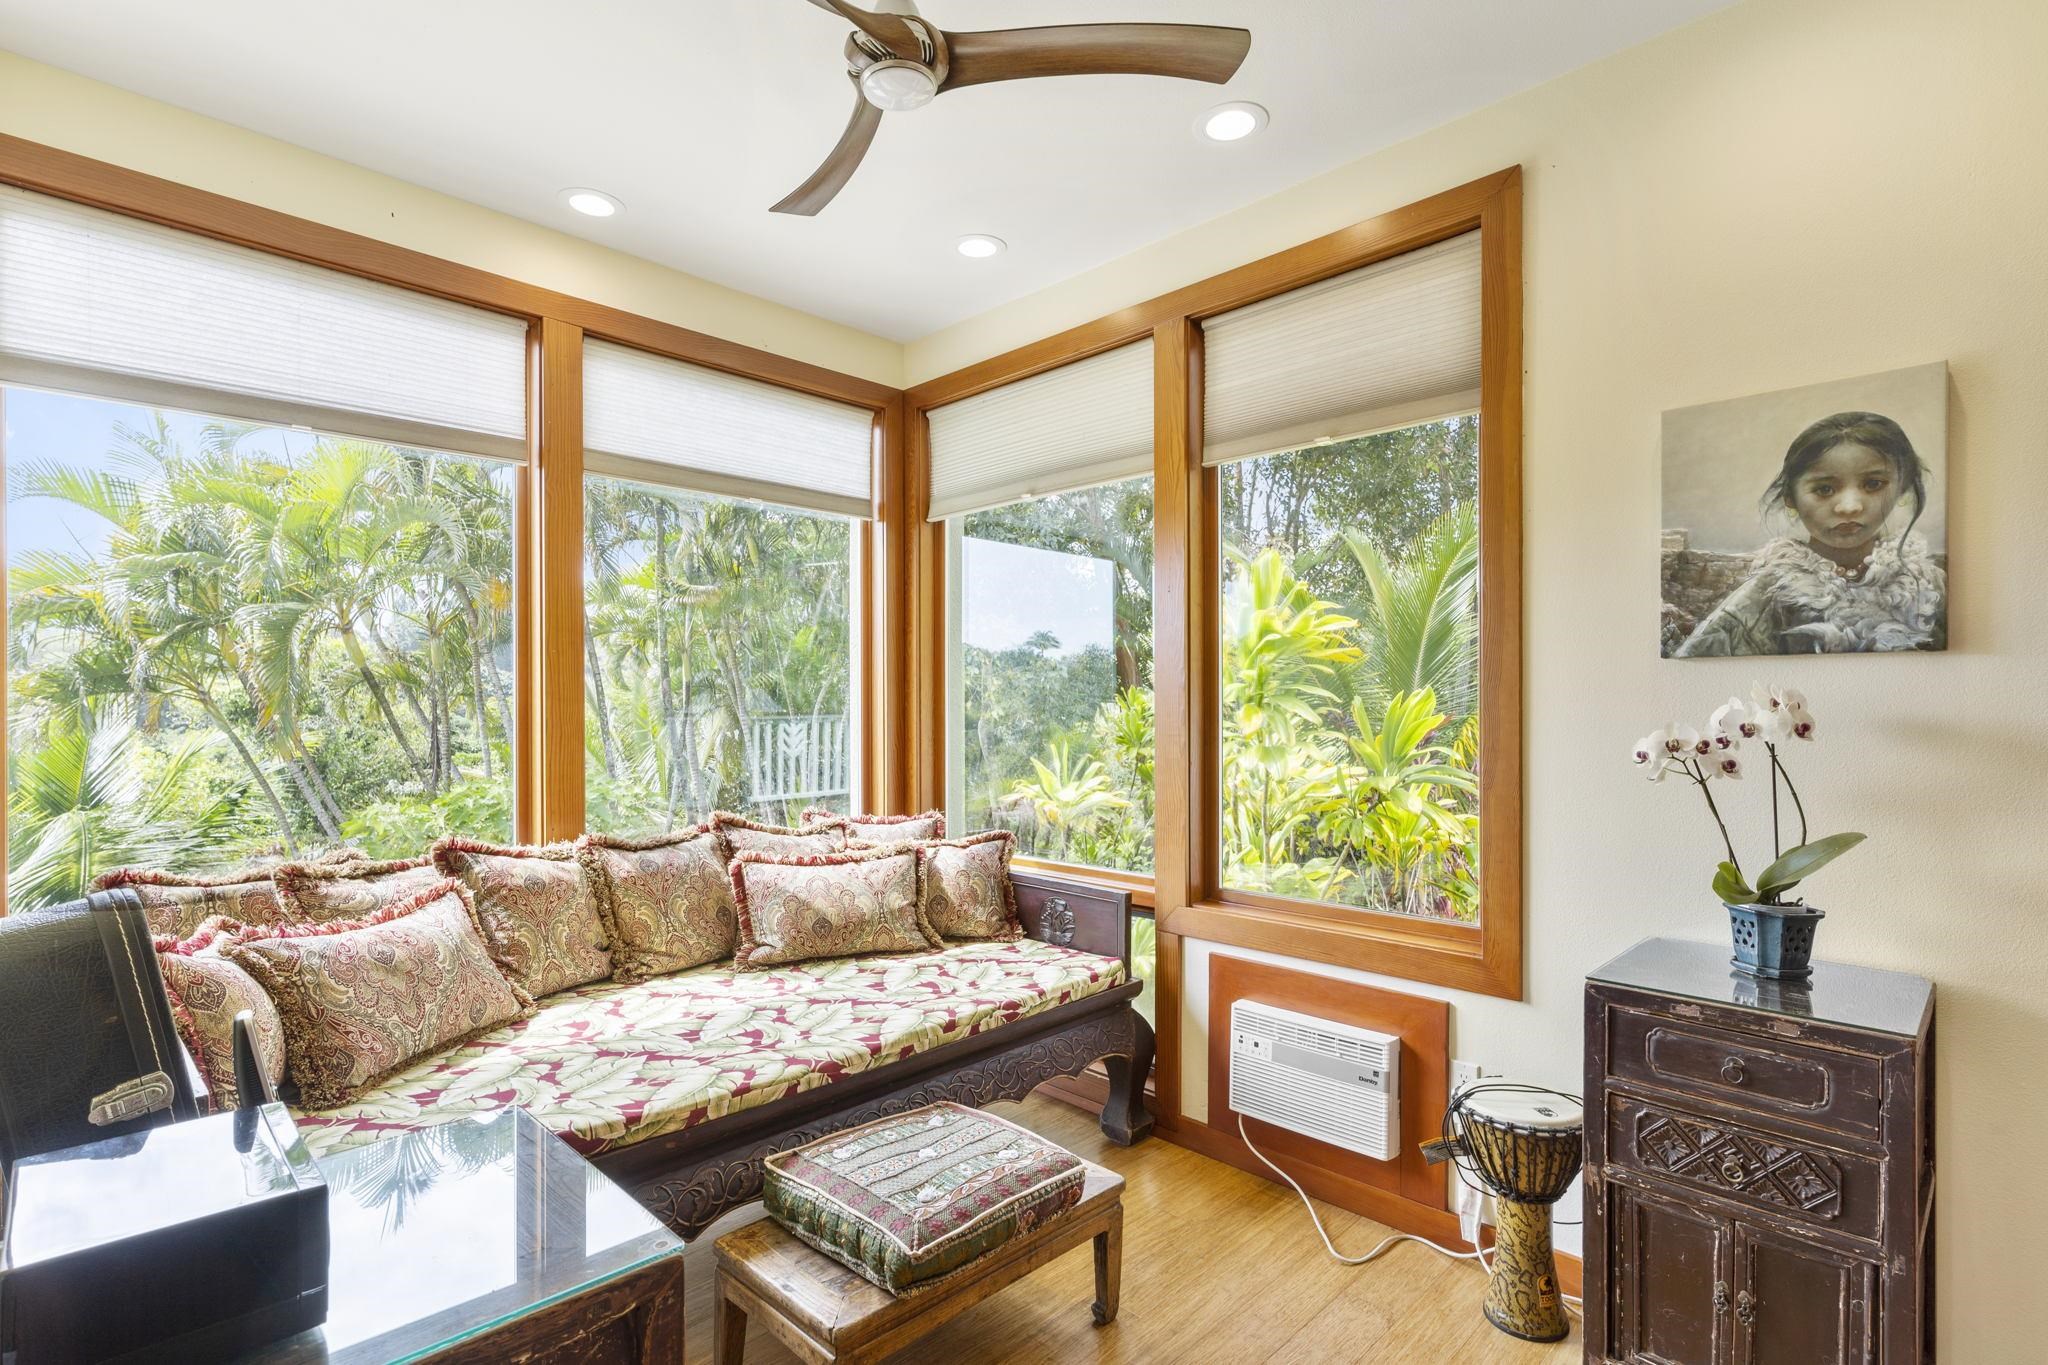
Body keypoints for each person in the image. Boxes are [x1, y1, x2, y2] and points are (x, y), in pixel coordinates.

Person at [1675, 411, 1945, 656]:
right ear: (1791, 498)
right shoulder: (1769, 591)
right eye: (1824, 489)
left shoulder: (1925, 585)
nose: (1849, 506)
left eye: (1873, 484)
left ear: (1903, 487)